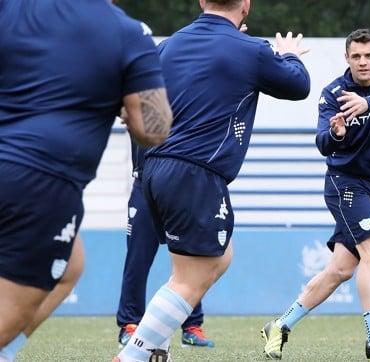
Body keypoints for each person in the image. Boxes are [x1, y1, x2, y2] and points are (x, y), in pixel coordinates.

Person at [114, 0, 311, 360]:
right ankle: (135, 355)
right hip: (195, 173)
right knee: (193, 275)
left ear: (203, 1)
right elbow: (298, 85)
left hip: (154, 170)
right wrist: (289, 54)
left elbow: (139, 104)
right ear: (247, 5)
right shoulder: (252, 50)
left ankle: (154, 345)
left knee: (215, 260)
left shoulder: (169, 44)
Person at [0, 0, 173, 360]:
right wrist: (130, 107)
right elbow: (154, 129)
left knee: (71, 265)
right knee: (12, 307)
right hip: (38, 182)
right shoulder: (128, 32)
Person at [261, 28, 370, 361]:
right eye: (356, 56)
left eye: (369, 55)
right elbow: (322, 143)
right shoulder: (333, 92)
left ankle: (280, 325)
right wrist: (335, 133)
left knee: (341, 270)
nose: (363, 62)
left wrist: (367, 102)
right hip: (345, 184)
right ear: (347, 58)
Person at [116, 142, 214, 351]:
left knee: (190, 258)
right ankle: (130, 324)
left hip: (179, 185)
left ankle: (192, 326)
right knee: (137, 260)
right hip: (143, 183)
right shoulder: (140, 107)